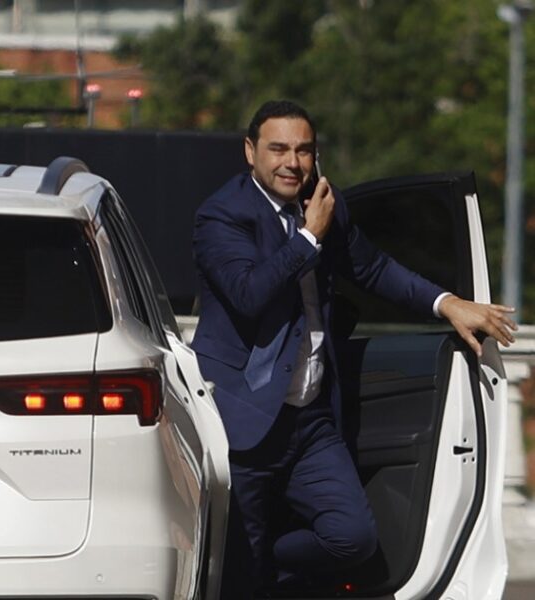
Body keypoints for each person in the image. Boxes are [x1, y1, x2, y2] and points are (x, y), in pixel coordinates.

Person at [190, 99, 517, 598]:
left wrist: (448, 303)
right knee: (241, 571)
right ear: (250, 151)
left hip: (312, 418)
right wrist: (307, 238)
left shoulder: (323, 203)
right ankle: (251, 564)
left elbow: (372, 268)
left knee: (353, 539)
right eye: (277, 149)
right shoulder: (221, 215)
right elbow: (249, 294)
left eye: (303, 150)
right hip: (244, 417)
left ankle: (264, 556)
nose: (292, 162)